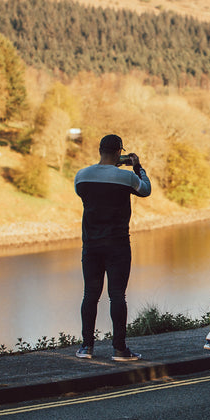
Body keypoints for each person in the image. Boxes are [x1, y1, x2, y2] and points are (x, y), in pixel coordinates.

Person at [73, 134, 152, 360]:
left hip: (91, 245)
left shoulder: (82, 176)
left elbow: (84, 195)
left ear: (99, 150)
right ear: (120, 152)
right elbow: (145, 190)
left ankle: (86, 347)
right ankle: (119, 349)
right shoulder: (125, 177)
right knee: (117, 295)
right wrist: (138, 167)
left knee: (90, 295)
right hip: (117, 245)